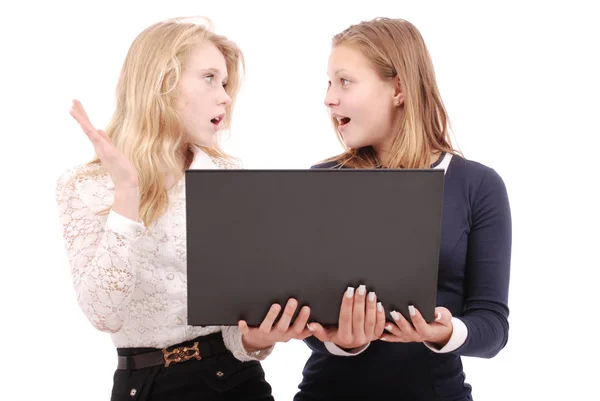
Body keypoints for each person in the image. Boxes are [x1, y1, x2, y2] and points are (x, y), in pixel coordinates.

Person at [55, 16, 311, 401]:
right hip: (143, 387)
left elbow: (237, 324)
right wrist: (127, 193)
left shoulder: (230, 177)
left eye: (225, 83)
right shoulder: (85, 186)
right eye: (209, 77)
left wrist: (257, 338)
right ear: (162, 82)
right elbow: (104, 314)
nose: (224, 96)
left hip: (235, 381)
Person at [296, 17, 512, 400]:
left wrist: (443, 331)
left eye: (344, 81)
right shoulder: (323, 179)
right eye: (329, 82)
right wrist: (344, 341)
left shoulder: (477, 185)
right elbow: (311, 323)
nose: (329, 97)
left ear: (398, 88)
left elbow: (492, 327)